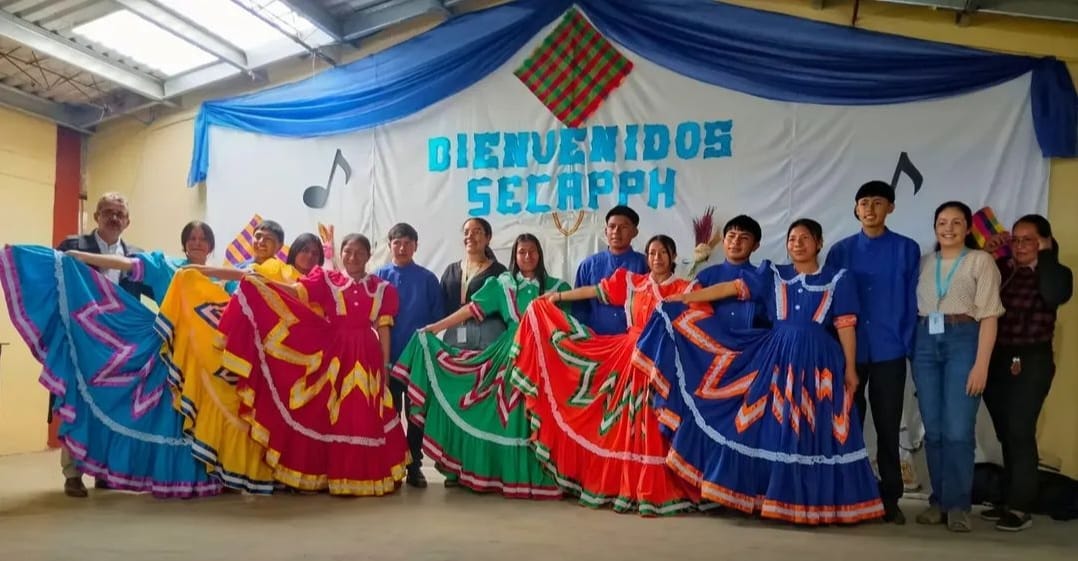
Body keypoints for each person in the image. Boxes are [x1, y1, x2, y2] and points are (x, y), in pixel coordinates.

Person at [636, 219, 883, 525]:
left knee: (815, 431)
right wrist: (687, 298)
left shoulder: (838, 278)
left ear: (819, 243)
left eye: (805, 238)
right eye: (792, 238)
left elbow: (846, 325)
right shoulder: (774, 274)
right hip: (777, 358)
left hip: (820, 362)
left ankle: (816, 505)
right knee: (773, 428)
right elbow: (732, 288)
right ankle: (771, 499)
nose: (797, 243)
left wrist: (850, 368)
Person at [2, 214, 222, 499]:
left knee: (189, 421)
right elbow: (126, 265)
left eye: (203, 238)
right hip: (167, 351)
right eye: (191, 238)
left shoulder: (220, 276)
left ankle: (197, 478)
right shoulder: (166, 266)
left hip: (204, 360)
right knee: (155, 415)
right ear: (183, 244)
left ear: (211, 245)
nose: (197, 243)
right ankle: (83, 472)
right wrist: (78, 256)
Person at [510, 235, 698, 516]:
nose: (656, 258)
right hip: (628, 357)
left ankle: (657, 486)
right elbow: (594, 292)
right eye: (652, 253)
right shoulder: (633, 283)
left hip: (664, 365)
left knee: (654, 423)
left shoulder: (685, 288)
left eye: (662, 253)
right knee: (621, 426)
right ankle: (622, 485)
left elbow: (700, 320)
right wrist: (557, 297)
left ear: (672, 256)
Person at [218, 233, 408, 495]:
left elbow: (384, 329)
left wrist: (386, 367)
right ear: (341, 255)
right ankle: (330, 475)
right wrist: (265, 284)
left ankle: (366, 476)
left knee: (364, 413)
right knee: (332, 414)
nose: (353, 258)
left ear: (368, 256)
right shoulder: (328, 279)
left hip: (367, 355)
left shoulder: (382, 288)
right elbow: (297, 292)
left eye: (359, 253)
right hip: (335, 353)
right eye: (348, 252)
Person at [393, 234, 567, 498]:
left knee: (533, 416)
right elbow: (470, 310)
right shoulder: (503, 285)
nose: (527, 257)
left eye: (532, 252)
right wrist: (435, 328)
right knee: (499, 414)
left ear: (540, 255)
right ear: (514, 256)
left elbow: (570, 326)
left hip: (543, 358)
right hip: (510, 354)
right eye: (522, 252)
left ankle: (538, 474)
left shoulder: (556, 287)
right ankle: (489, 474)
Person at [163, 219, 300, 493]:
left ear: (278, 245)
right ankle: (234, 472)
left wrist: (194, 270)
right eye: (258, 236)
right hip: (239, 350)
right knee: (238, 407)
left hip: (268, 352)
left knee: (263, 412)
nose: (260, 241)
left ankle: (269, 473)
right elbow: (224, 303)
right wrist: (190, 278)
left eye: (268, 239)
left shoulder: (283, 271)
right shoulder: (238, 270)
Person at [824, 180, 921, 524]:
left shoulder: (906, 249)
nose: (869, 209)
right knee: (846, 425)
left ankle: (890, 497)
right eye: (863, 202)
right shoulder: (840, 251)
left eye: (877, 203)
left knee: (887, 425)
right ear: (855, 209)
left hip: (888, 351)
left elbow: (912, 301)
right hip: (848, 354)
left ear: (890, 208)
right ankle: (849, 492)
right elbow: (829, 303)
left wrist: (908, 345)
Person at [911, 201, 1004, 532]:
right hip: (924, 340)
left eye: (956, 222)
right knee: (933, 430)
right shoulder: (924, 262)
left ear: (968, 228)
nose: (948, 227)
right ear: (935, 226)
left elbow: (990, 316)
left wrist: (981, 365)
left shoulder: (981, 261)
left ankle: (959, 505)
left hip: (964, 339)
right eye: (942, 221)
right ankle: (939, 500)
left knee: (957, 430)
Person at [51, 192, 152, 497]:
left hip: (118, 348)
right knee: (79, 405)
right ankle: (73, 474)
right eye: (107, 211)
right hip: (81, 341)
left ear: (128, 221)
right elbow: (55, 284)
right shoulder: (72, 246)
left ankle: (104, 472)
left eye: (120, 213)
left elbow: (157, 290)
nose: (114, 217)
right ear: (96, 216)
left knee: (112, 408)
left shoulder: (136, 256)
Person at [980, 215, 1073, 532]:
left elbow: (1053, 295)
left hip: (1031, 360)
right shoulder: (1004, 270)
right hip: (996, 359)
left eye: (1028, 240)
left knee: (1020, 430)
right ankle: (1009, 497)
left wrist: (1046, 255)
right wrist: (991, 254)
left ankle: (1021, 506)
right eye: (1015, 239)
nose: (1019, 246)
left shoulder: (1056, 274)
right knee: (1006, 431)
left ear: (1044, 241)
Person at [375, 223, 444, 488]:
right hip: (386, 360)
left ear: (416, 246)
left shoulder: (428, 279)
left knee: (416, 415)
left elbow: (438, 319)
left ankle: (414, 466)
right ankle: (389, 467)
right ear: (389, 245)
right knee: (388, 415)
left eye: (407, 243)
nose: (402, 248)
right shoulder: (379, 277)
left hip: (418, 360)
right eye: (397, 243)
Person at [573, 206, 648, 335]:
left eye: (623, 227)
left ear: (635, 232)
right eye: (612, 226)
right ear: (605, 231)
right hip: (596, 343)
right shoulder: (588, 265)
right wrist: (585, 337)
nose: (616, 231)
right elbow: (579, 309)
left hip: (634, 344)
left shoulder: (645, 264)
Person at [693, 215, 768, 330]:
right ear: (723, 241)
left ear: (755, 246)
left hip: (753, 344)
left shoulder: (762, 278)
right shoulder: (705, 276)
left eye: (744, 238)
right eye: (731, 236)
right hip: (712, 343)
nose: (735, 242)